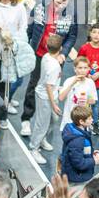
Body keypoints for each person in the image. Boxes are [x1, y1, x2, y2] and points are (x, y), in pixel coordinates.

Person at [28, 34, 65, 163]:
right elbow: (49, 86)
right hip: (45, 97)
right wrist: (53, 104)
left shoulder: (46, 56)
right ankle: (34, 148)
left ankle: (42, 139)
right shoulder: (54, 66)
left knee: (53, 120)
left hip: (50, 95)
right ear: (60, 48)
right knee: (41, 124)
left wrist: (60, 58)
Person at [59, 105, 96, 186]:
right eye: (89, 119)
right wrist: (94, 161)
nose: (92, 120)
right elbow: (79, 163)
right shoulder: (77, 140)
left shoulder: (76, 130)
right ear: (81, 122)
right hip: (76, 178)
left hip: (75, 175)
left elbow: (81, 151)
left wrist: (91, 153)